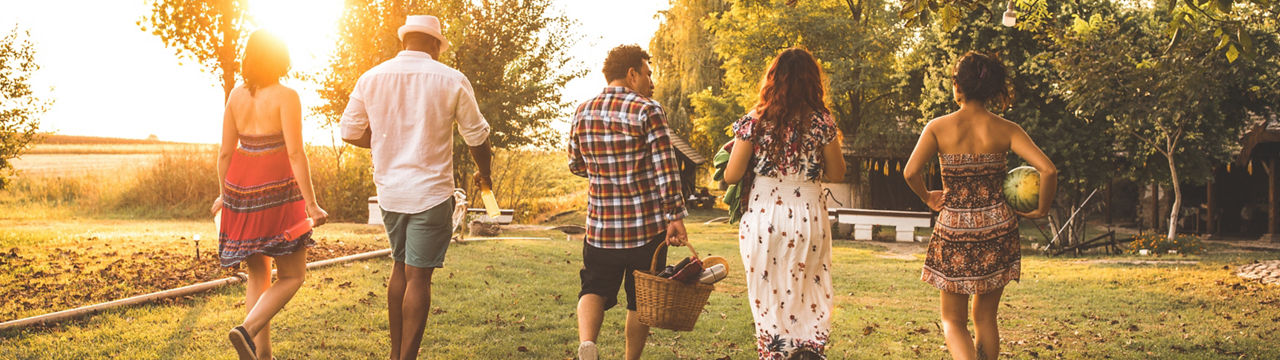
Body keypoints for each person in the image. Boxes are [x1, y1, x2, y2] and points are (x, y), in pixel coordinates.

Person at [339, 15, 493, 360]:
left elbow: (349, 131)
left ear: (404, 41)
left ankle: (396, 354)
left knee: (400, 266)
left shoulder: (372, 77)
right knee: (419, 276)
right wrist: (486, 175)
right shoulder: (451, 79)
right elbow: (477, 137)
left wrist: (382, 143)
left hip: (390, 192)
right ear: (436, 44)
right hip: (431, 193)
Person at [902, 51, 1057, 360]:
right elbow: (1049, 170)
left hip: (955, 228)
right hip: (998, 227)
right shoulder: (1007, 129)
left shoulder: (938, 127)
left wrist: (927, 197)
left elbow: (910, 172)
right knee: (985, 318)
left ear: (957, 85)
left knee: (952, 321)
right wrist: (1040, 209)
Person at [722, 47, 846, 360]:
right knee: (808, 288)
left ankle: (775, 352)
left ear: (774, 80)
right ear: (812, 82)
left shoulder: (755, 120)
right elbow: (837, 173)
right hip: (808, 214)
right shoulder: (822, 123)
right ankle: (807, 350)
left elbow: (732, 175)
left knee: (768, 292)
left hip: (766, 215)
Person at [213, 29, 329, 360]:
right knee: (293, 275)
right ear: (280, 58)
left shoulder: (235, 96)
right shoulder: (286, 96)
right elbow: (295, 153)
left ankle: (262, 356)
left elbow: (224, 153)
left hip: (240, 191)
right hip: (277, 191)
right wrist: (312, 204)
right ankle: (247, 332)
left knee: (259, 273)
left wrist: (226, 196)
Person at [568, 44, 689, 360]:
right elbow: (666, 167)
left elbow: (576, 165)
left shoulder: (582, 111)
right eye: (648, 73)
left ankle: (587, 346)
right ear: (632, 74)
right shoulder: (648, 109)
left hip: (600, 229)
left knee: (593, 288)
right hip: (645, 230)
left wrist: (604, 172)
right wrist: (675, 215)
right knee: (640, 299)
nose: (652, 82)